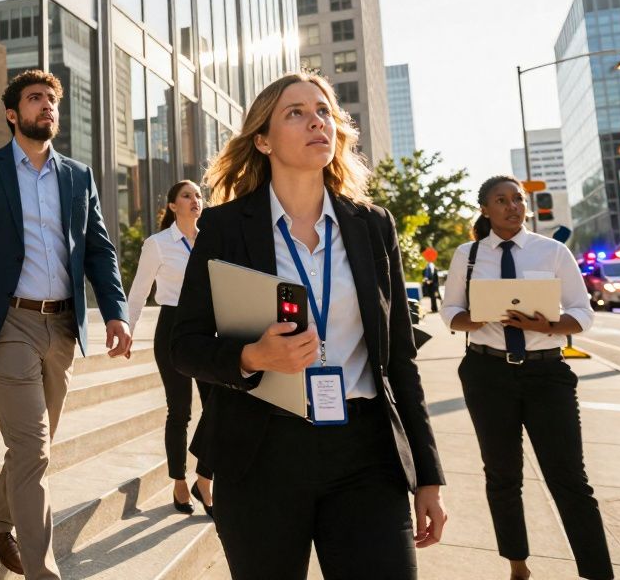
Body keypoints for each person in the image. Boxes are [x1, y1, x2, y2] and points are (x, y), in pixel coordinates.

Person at [171, 72, 446, 579]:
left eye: (323, 111)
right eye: (294, 112)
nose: (315, 120)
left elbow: (400, 358)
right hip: (261, 453)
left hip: (365, 452)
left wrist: (427, 475)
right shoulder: (227, 227)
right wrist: (251, 357)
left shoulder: (372, 225)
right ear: (263, 139)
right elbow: (182, 344)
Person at [0, 69, 132, 579]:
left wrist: (115, 312)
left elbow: (99, 251)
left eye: (52, 100)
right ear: (11, 113)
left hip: (63, 328)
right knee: (32, 448)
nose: (47, 106)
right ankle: (44, 571)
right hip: (7, 325)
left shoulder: (77, 176)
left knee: (34, 447)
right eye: (35, 98)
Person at [441, 175, 612, 580]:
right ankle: (518, 567)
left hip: (546, 374)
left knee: (569, 478)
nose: (513, 206)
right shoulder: (467, 256)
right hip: (486, 373)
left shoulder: (551, 251)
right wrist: (476, 318)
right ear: (485, 209)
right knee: (502, 475)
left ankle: (598, 572)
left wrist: (549, 326)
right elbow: (450, 312)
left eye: (517, 199)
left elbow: (583, 313)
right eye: (501, 200)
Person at [125, 180, 214, 517]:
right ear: (173, 205)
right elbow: (138, 292)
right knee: (180, 410)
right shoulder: (158, 244)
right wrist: (127, 331)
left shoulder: (210, 241)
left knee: (217, 407)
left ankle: (204, 477)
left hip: (209, 328)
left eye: (198, 195)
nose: (195, 200)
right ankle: (179, 480)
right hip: (173, 327)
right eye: (187, 196)